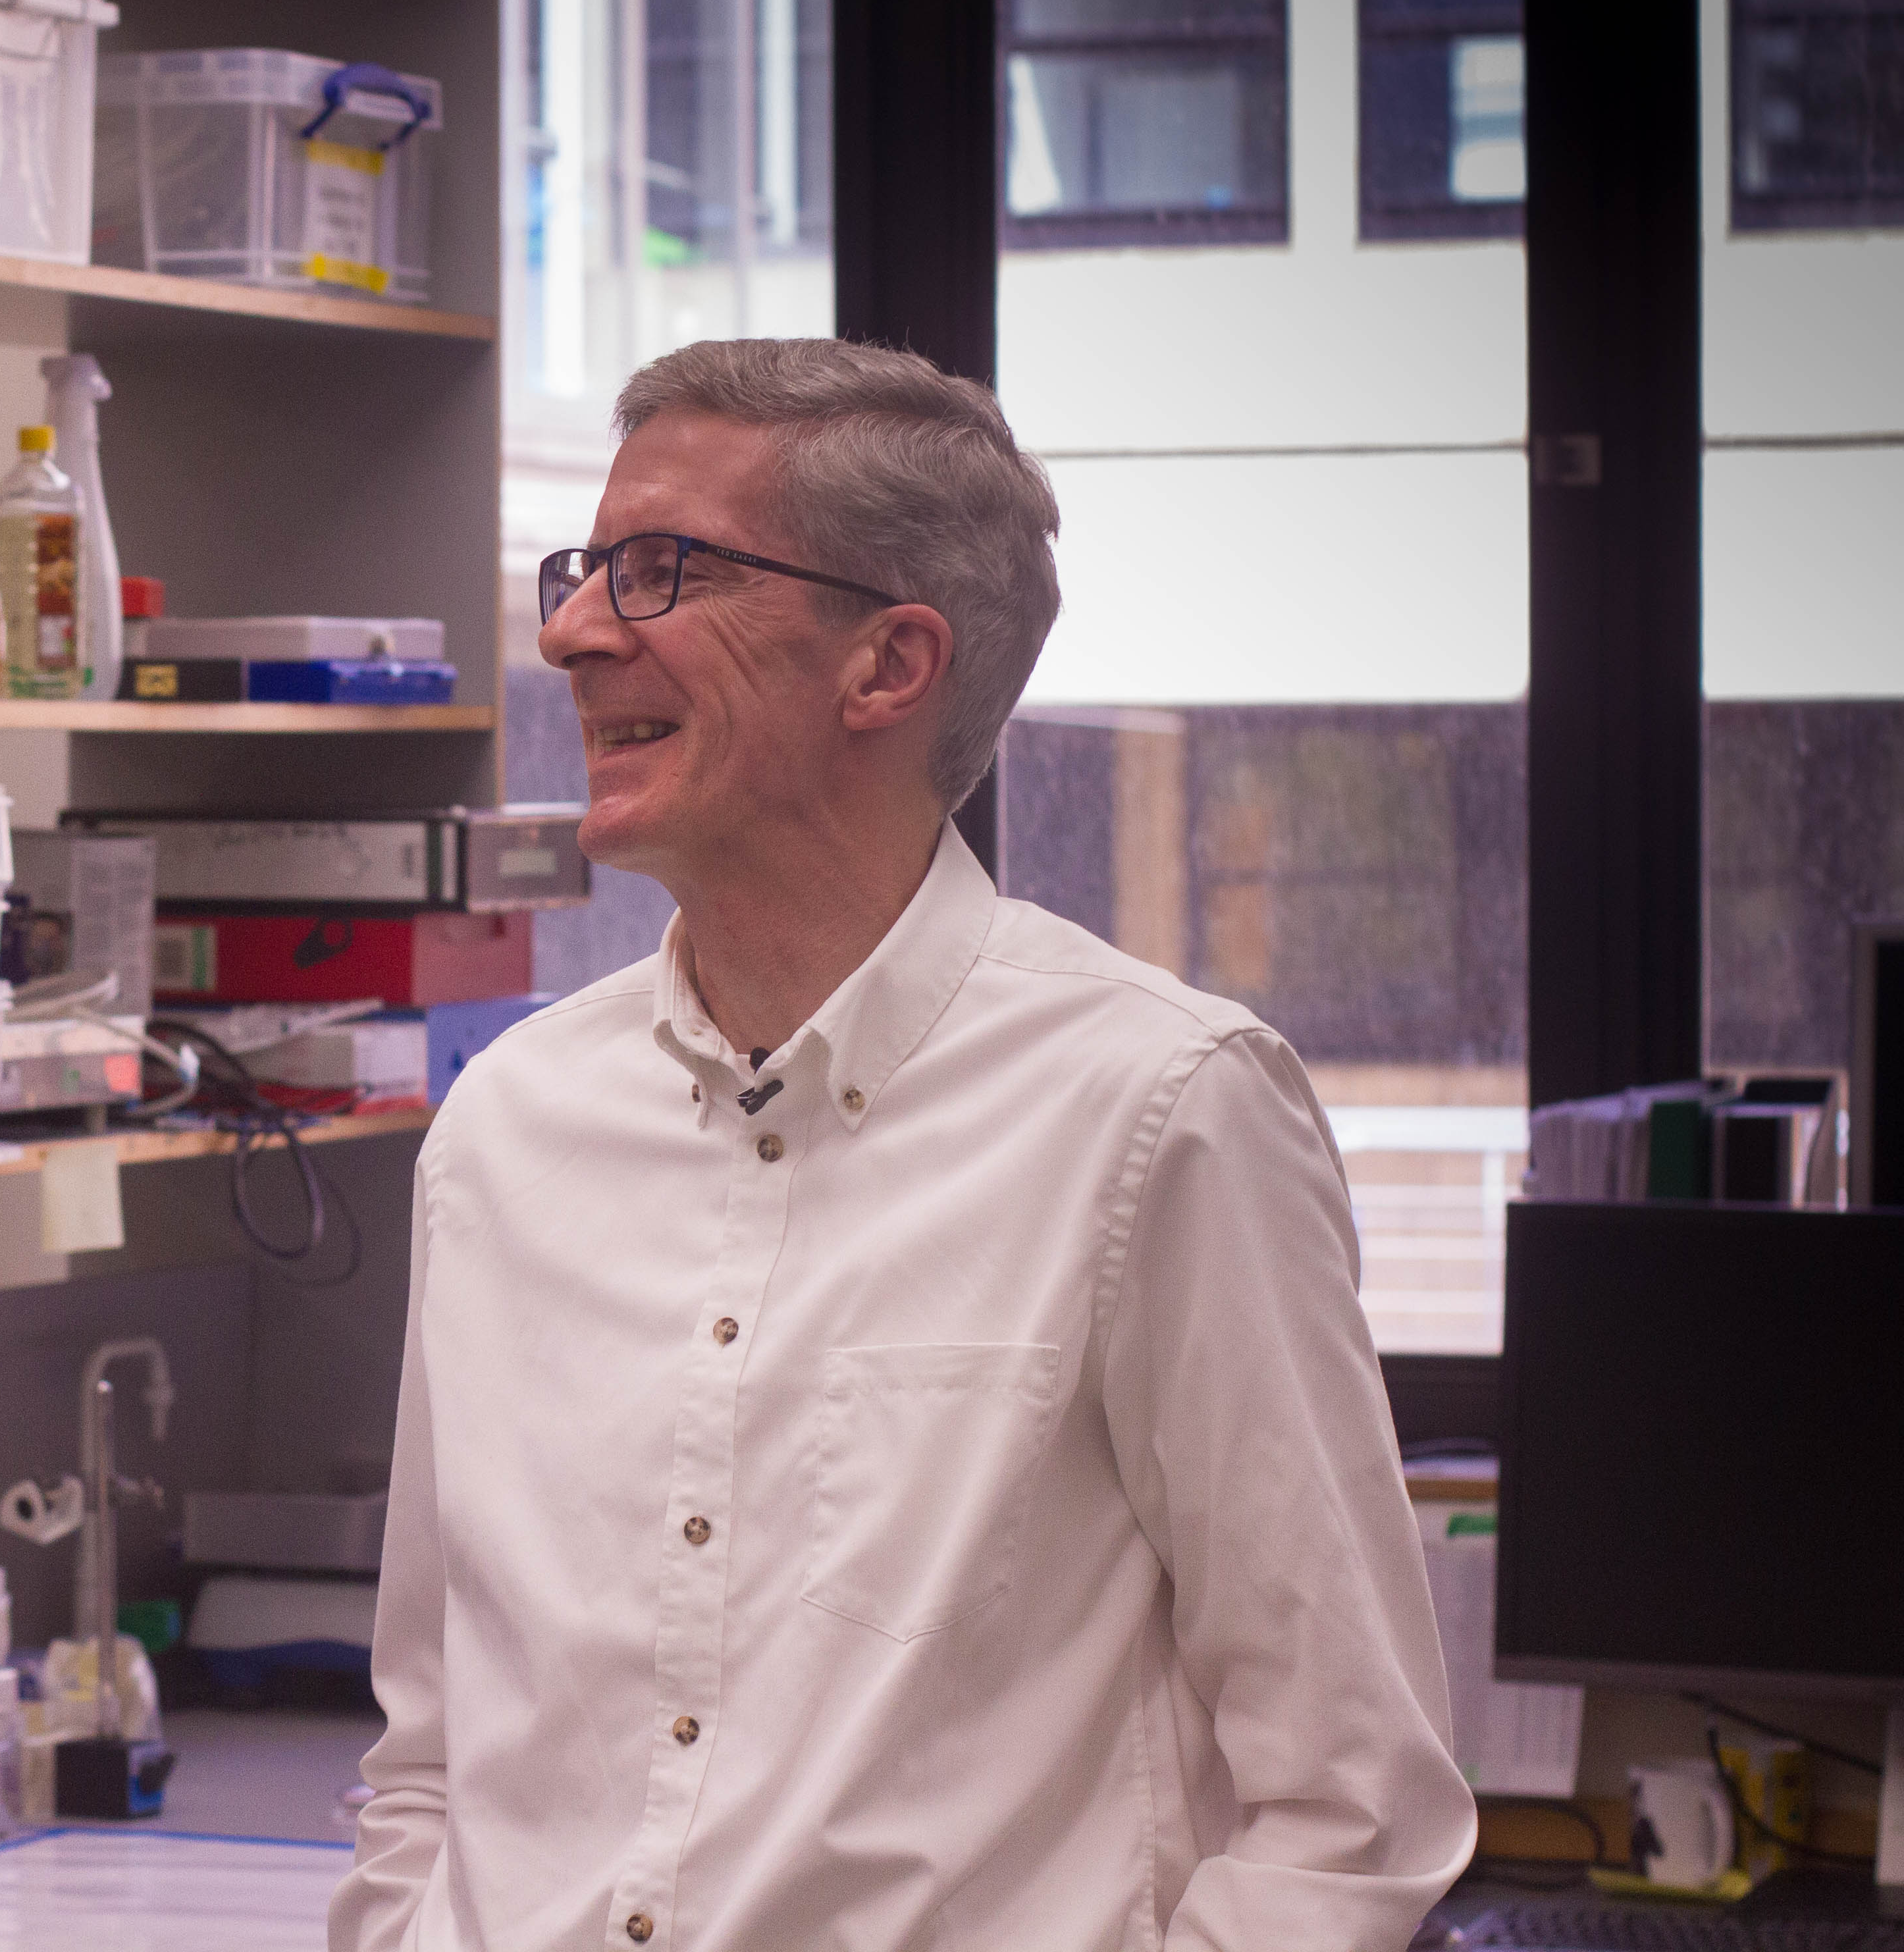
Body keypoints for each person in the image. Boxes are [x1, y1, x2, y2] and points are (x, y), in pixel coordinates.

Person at [333, 338, 1475, 1952]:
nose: (576, 631)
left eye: (661, 571)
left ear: (886, 666)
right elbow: (433, 1758)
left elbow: (1349, 1808)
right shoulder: (507, 1131)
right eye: (586, 570)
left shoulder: (1162, 1110)